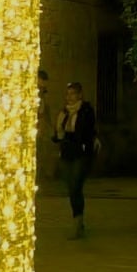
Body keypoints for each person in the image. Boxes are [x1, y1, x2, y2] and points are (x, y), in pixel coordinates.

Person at [54, 81, 97, 238]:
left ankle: (78, 223)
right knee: (71, 186)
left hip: (80, 152)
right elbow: (59, 132)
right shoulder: (64, 112)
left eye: (73, 94)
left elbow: (88, 130)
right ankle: (78, 221)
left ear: (79, 95)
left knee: (76, 186)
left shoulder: (86, 110)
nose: (69, 97)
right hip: (67, 152)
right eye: (68, 94)